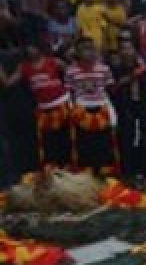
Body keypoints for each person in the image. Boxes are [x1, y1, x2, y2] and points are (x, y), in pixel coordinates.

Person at [1, 41, 72, 168]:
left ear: (39, 48)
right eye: (28, 48)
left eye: (33, 47)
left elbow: (71, 71)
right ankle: (54, 168)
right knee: (48, 142)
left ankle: (69, 166)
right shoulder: (24, 67)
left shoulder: (53, 61)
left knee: (65, 138)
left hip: (62, 104)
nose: (31, 50)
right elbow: (8, 83)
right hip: (44, 109)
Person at [65, 37, 119, 175]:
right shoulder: (71, 71)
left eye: (91, 48)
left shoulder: (104, 68)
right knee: (84, 141)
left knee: (103, 140)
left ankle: (105, 169)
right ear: (77, 52)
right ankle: (86, 170)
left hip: (101, 106)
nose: (89, 52)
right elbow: (69, 91)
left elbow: (110, 88)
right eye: (85, 48)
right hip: (82, 107)